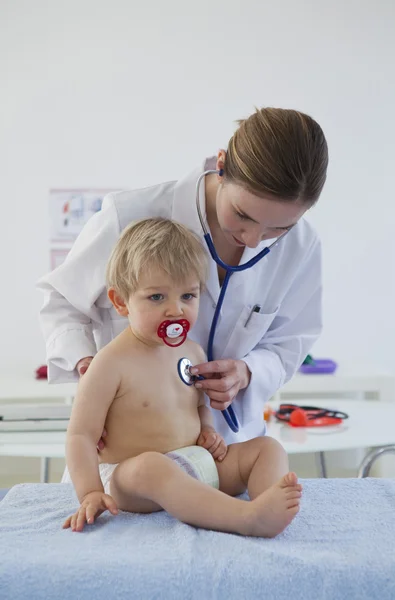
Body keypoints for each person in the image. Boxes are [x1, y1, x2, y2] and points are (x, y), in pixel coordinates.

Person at [38, 107, 328, 446]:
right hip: (128, 448)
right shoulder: (129, 215)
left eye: (278, 228)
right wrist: (88, 368)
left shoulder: (301, 245)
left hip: (225, 446)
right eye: (242, 215)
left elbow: (288, 343)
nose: (252, 239)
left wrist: (247, 372)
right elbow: (62, 302)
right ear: (221, 166)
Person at [62, 218, 302, 537]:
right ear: (121, 301)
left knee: (267, 448)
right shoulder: (109, 364)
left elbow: (196, 404)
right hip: (133, 480)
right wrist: (90, 492)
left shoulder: (193, 352)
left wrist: (206, 431)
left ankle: (267, 503)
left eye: (188, 296)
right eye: (157, 298)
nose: (175, 310)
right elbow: (80, 435)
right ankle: (245, 518)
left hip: (193, 463)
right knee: (152, 466)